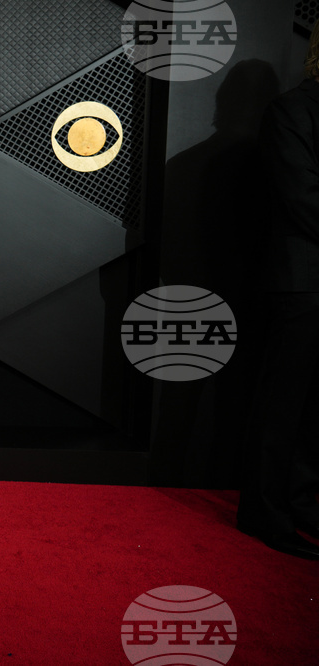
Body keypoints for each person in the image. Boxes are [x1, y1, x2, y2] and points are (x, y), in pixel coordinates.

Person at [236, 22, 319, 561]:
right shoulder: (293, 110)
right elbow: (303, 198)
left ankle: (306, 505)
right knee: (284, 407)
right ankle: (265, 515)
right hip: (304, 283)